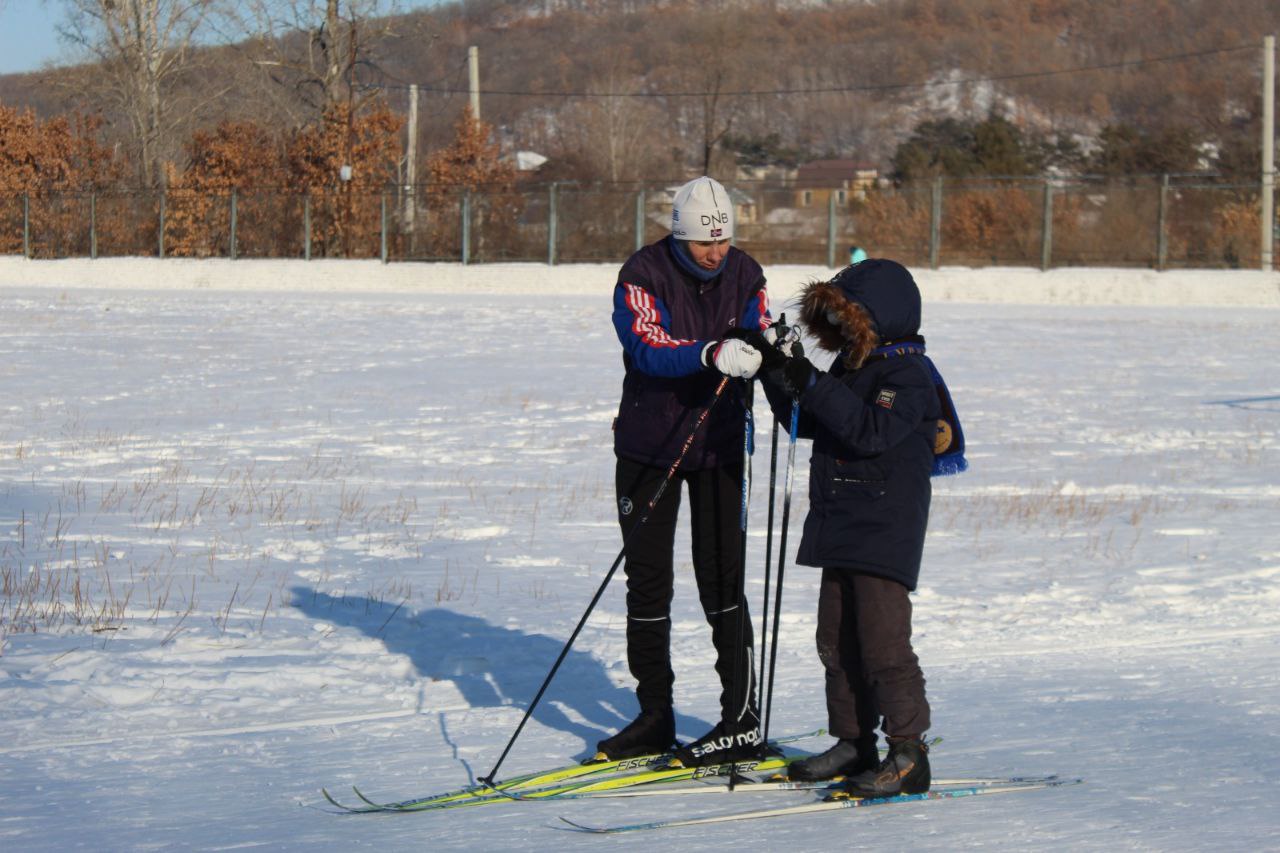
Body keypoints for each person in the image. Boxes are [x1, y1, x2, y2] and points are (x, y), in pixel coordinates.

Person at [596, 176, 771, 768]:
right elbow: (646, 345)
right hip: (651, 447)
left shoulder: (746, 274)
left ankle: (739, 715)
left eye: (722, 242)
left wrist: (770, 348)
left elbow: (758, 330)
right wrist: (708, 352)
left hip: (720, 447)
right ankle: (654, 715)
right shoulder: (641, 274)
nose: (715, 254)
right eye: (703, 244)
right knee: (648, 583)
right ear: (679, 236)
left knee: (722, 580)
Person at [753, 258, 938, 797]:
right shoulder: (854, 368)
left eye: (846, 317)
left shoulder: (908, 375)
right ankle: (854, 742)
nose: (836, 329)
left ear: (878, 318)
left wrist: (809, 380)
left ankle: (908, 749)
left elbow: (867, 431)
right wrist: (777, 371)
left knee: (883, 644)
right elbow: (809, 420)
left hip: (884, 530)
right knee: (834, 641)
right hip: (841, 521)